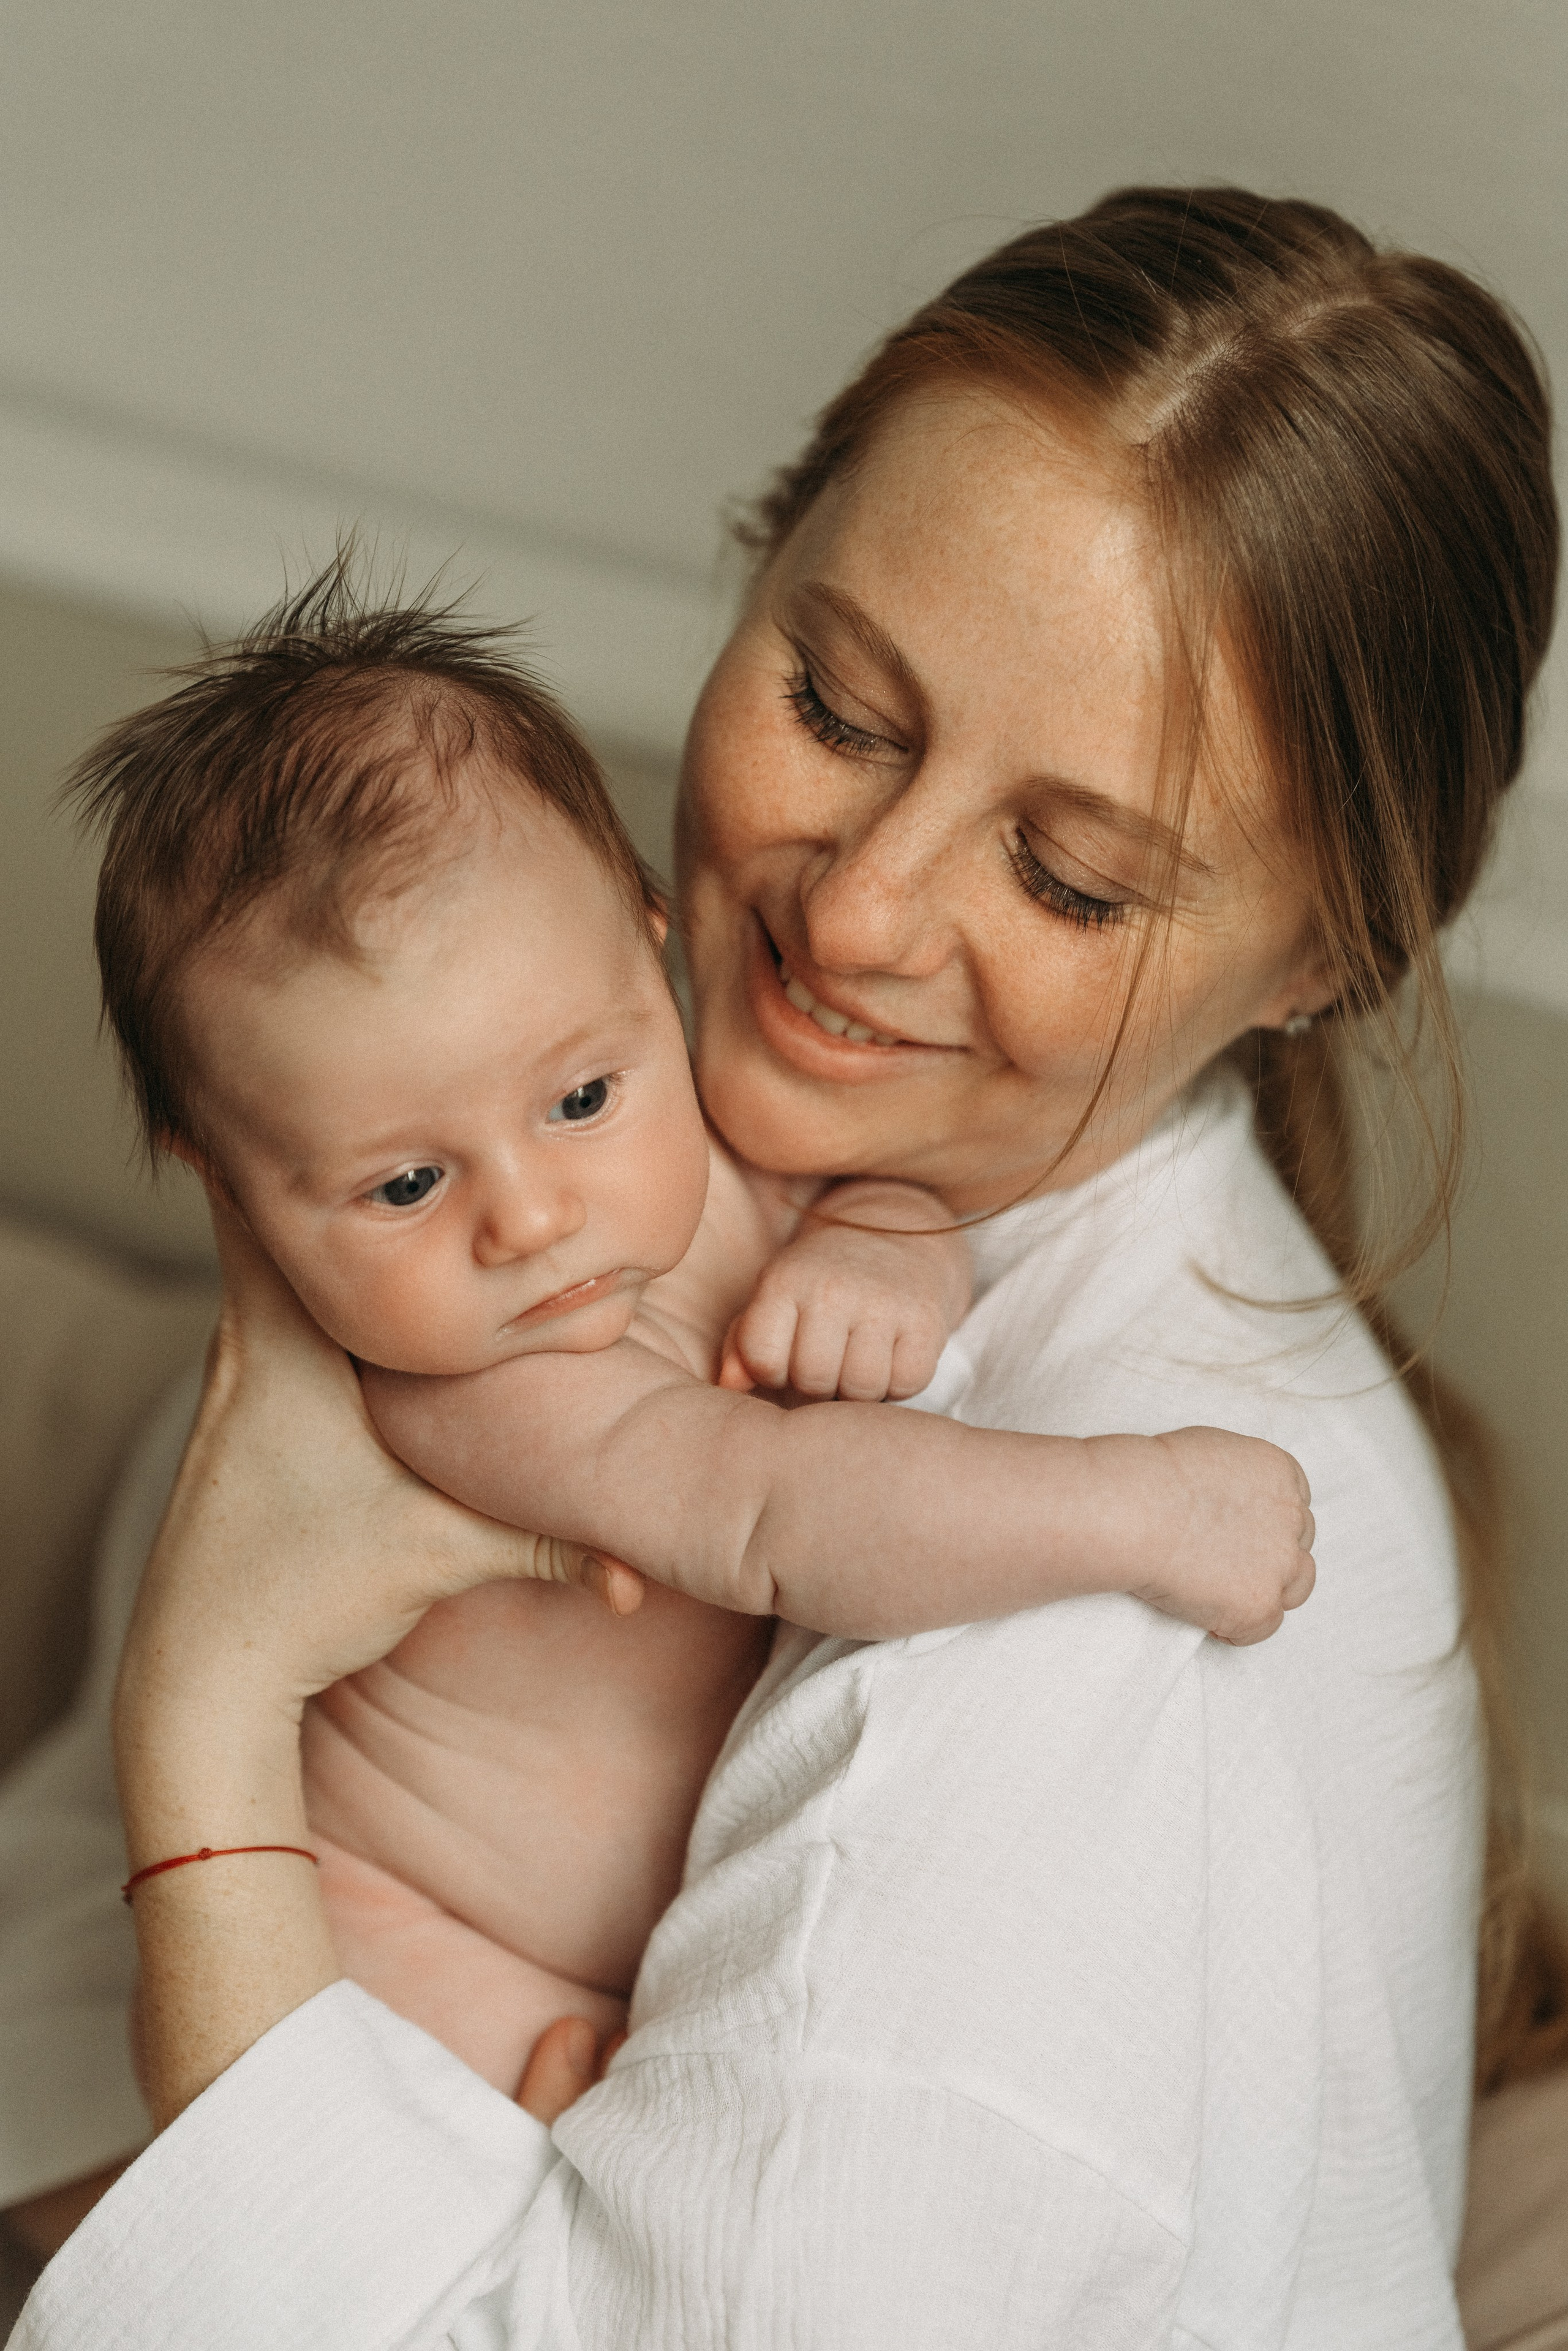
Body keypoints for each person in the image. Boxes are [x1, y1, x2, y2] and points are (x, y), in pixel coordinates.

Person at [8, 183, 1563, 2346]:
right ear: (757, 552)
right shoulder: (674, 1132)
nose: (853, 916)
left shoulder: (1057, 1669)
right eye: (838, 709)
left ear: (1331, 956)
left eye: (1068, 873)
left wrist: (206, 1696)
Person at [56, 586, 1313, 2095]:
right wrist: (1135, 1509)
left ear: (647, 953)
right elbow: (773, 1511)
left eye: (580, 1097)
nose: (532, 1216)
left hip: (626, 1938)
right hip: (421, 1924)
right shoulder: (457, 1400)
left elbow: (874, 1187)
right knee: (392, 2162)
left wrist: (884, 1234)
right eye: (403, 1182)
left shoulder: (719, 1126)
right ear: (233, 1188)